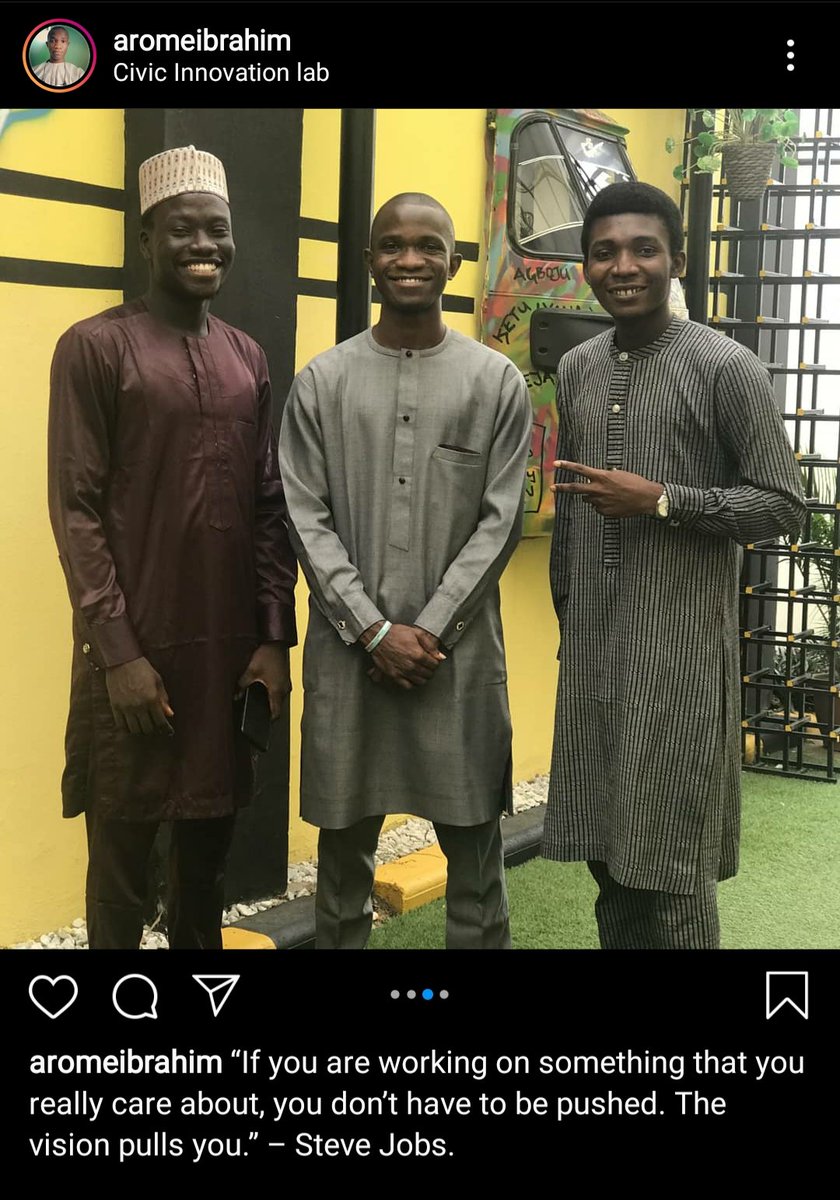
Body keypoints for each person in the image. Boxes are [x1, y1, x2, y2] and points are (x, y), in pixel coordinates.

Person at [543, 181, 806, 950]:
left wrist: (665, 500)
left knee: (673, 877)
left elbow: (783, 505)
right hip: (592, 656)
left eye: (644, 249)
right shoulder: (579, 368)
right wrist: (570, 621)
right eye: (605, 252)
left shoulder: (727, 368)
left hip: (681, 661)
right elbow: (572, 513)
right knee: (607, 862)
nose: (623, 266)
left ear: (677, 261)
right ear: (586, 266)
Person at [47, 145, 297, 949]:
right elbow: (75, 510)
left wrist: (273, 637)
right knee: (120, 874)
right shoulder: (94, 346)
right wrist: (118, 654)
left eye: (217, 230)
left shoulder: (246, 356)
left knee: (205, 872)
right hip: (135, 653)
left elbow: (268, 504)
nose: (204, 246)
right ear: (146, 239)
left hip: (228, 656)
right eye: (183, 229)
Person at [278, 192, 532, 949]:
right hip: (350, 661)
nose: (410, 259)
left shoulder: (495, 383)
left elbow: (501, 520)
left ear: (454, 264)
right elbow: (304, 516)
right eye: (392, 245)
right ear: (369, 262)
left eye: (429, 247)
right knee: (341, 874)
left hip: (457, 663)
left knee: (476, 870)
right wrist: (373, 631)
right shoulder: (322, 383)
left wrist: (426, 631)